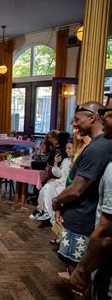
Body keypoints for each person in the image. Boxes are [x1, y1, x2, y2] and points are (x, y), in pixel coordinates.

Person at [52, 102, 112, 278]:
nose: (74, 124)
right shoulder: (100, 144)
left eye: (77, 120)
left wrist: (57, 201)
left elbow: (77, 189)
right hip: (80, 215)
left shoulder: (98, 148)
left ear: (92, 118)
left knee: (77, 272)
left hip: (80, 219)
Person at [70, 104, 112, 299]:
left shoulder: (99, 148)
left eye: (107, 113)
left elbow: (106, 232)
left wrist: (82, 268)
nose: (103, 117)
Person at [30, 141, 73, 224]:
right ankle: (44, 210)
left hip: (66, 186)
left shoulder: (76, 162)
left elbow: (68, 179)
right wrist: (56, 163)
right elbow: (59, 174)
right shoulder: (65, 160)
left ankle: (43, 211)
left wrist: (57, 180)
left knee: (48, 187)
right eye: (66, 148)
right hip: (60, 182)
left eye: (69, 148)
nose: (67, 150)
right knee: (46, 186)